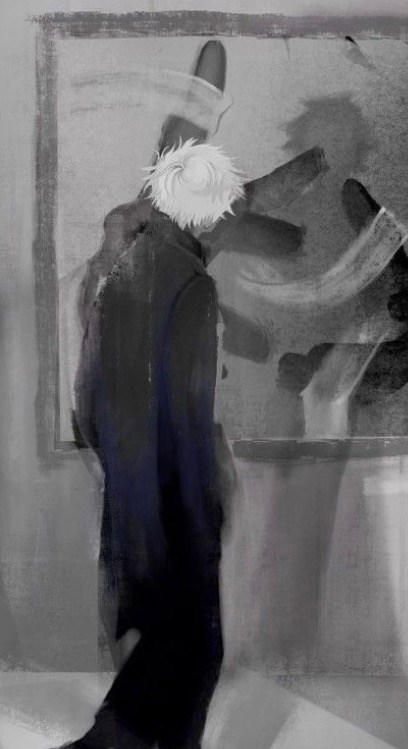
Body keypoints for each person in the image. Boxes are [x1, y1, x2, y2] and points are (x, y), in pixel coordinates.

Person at [67, 139, 243, 748]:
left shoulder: (121, 277)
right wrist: (208, 500)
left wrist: (121, 466)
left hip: (130, 500)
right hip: (178, 502)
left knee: (158, 649)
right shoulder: (194, 288)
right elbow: (190, 414)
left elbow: (86, 400)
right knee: (197, 652)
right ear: (207, 210)